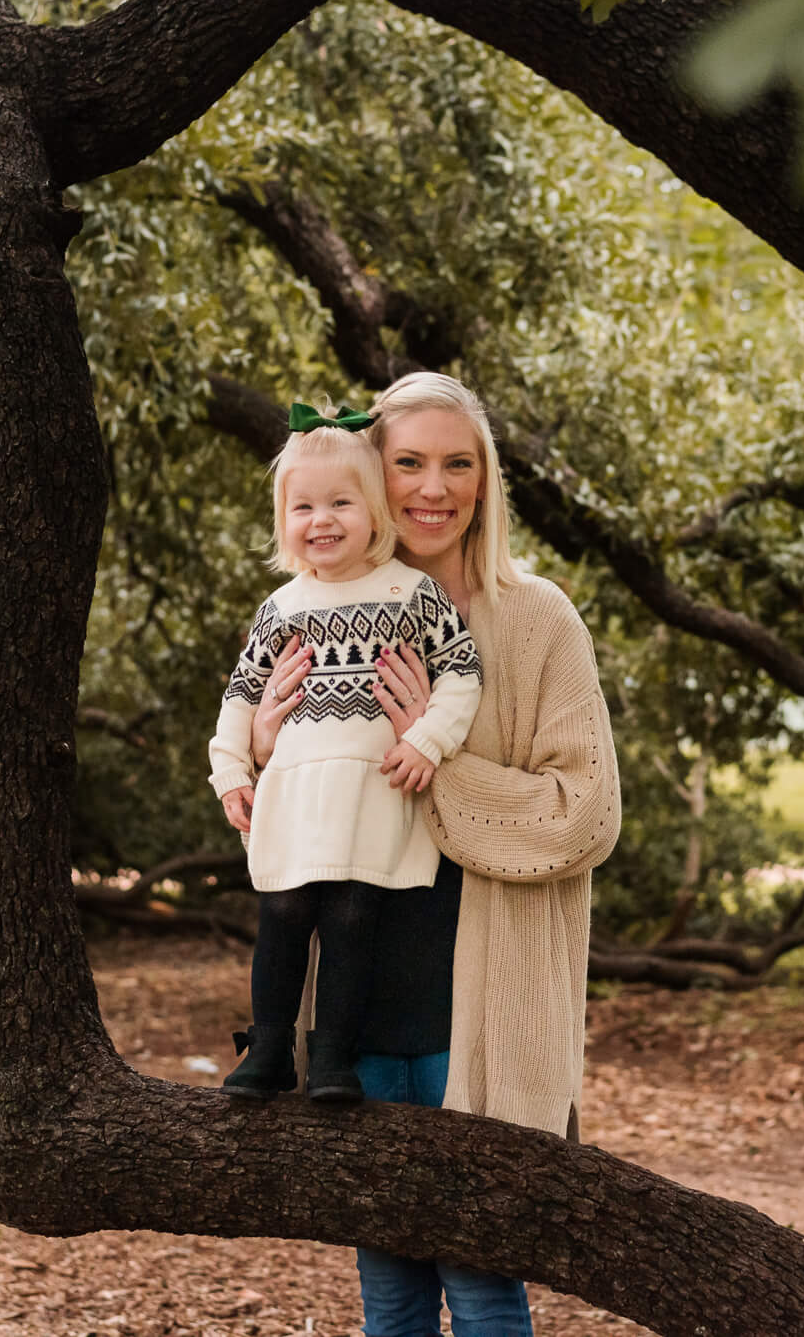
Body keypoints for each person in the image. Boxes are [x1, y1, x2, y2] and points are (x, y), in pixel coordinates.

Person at [243, 372, 622, 1337]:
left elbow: (585, 817)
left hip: (482, 1001)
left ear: (487, 481)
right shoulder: (313, 615)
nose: (432, 487)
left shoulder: (536, 619)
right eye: (407, 462)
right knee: (391, 1283)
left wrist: (438, 760)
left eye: (460, 464)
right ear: (368, 476)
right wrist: (263, 747)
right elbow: (297, 814)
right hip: (361, 1008)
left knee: (485, 1280)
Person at [208, 412, 482, 1104]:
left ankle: (334, 1059)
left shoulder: (409, 595)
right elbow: (241, 696)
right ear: (282, 518)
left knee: (354, 920)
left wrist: (427, 739)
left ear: (376, 513)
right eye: (303, 506)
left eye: (340, 503)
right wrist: (232, 770)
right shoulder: (282, 607)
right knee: (285, 913)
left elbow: (462, 672)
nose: (320, 520)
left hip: (374, 796)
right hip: (298, 797)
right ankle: (269, 1050)